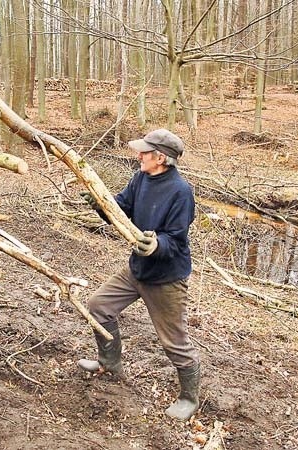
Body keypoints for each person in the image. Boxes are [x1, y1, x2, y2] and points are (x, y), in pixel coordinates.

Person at [78, 129, 200, 421]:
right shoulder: (141, 178)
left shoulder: (181, 192)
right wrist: (102, 205)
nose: (138, 155)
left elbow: (176, 239)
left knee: (174, 342)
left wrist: (157, 244)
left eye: (144, 152)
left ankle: (188, 398)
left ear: (160, 157)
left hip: (166, 279)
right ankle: (110, 362)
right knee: (99, 306)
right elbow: (121, 209)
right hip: (137, 270)